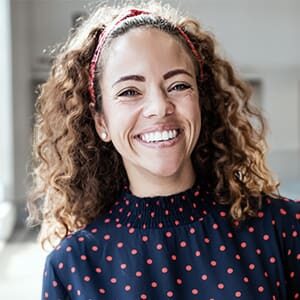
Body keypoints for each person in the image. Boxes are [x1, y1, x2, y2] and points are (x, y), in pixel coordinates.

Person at [27, 1, 300, 299]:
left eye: (178, 85)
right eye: (130, 92)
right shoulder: (73, 267)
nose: (159, 107)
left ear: (201, 102)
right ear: (101, 121)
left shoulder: (283, 229)